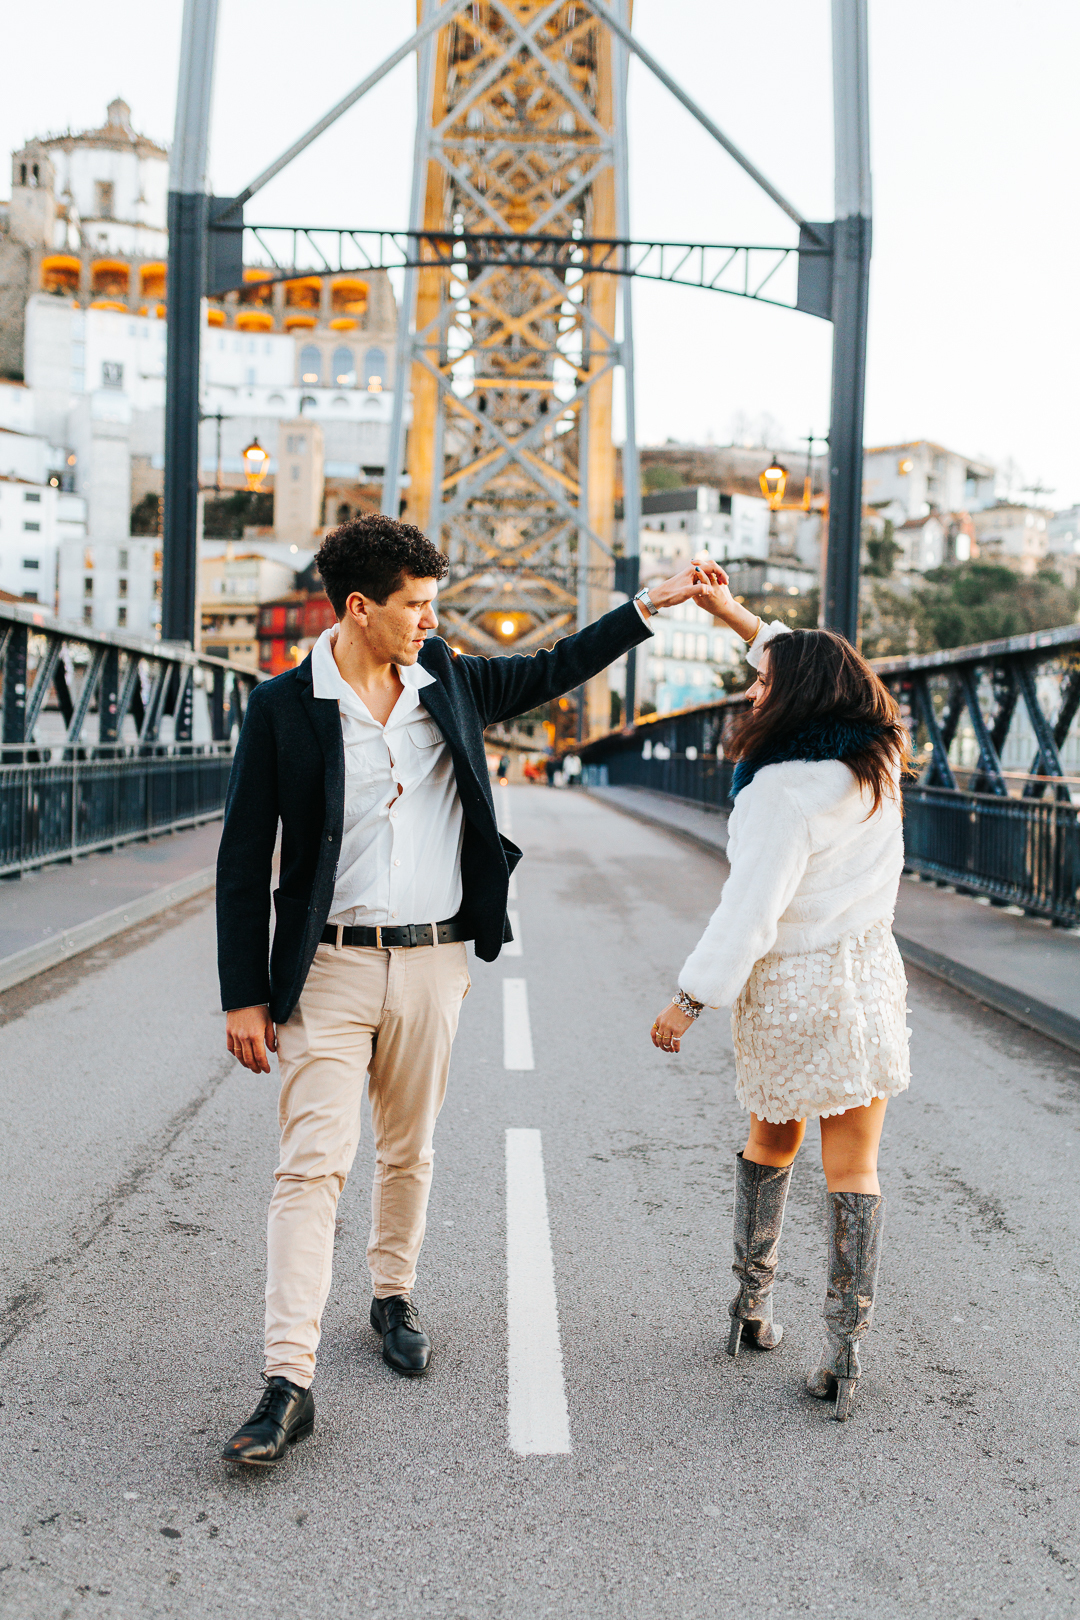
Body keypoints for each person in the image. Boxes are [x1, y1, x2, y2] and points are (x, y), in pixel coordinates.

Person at [216, 513, 720, 1465]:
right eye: (415, 605)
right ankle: (288, 1379)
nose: (430, 620)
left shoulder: (444, 677)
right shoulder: (283, 706)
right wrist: (243, 992)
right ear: (359, 608)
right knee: (311, 1167)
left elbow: (552, 669)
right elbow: (244, 857)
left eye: (433, 604)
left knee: (408, 1147)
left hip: (434, 959)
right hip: (326, 968)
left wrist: (647, 606)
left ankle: (391, 1294)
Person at [651, 568, 912, 1422]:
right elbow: (813, 664)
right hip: (866, 982)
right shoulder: (877, 764)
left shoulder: (777, 792)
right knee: (856, 1166)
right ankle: (846, 1350)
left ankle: (749, 1308)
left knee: (772, 1142)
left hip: (796, 988)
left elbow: (750, 912)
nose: (751, 689)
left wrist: (690, 1001)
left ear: (794, 699)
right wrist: (733, 616)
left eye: (764, 683)